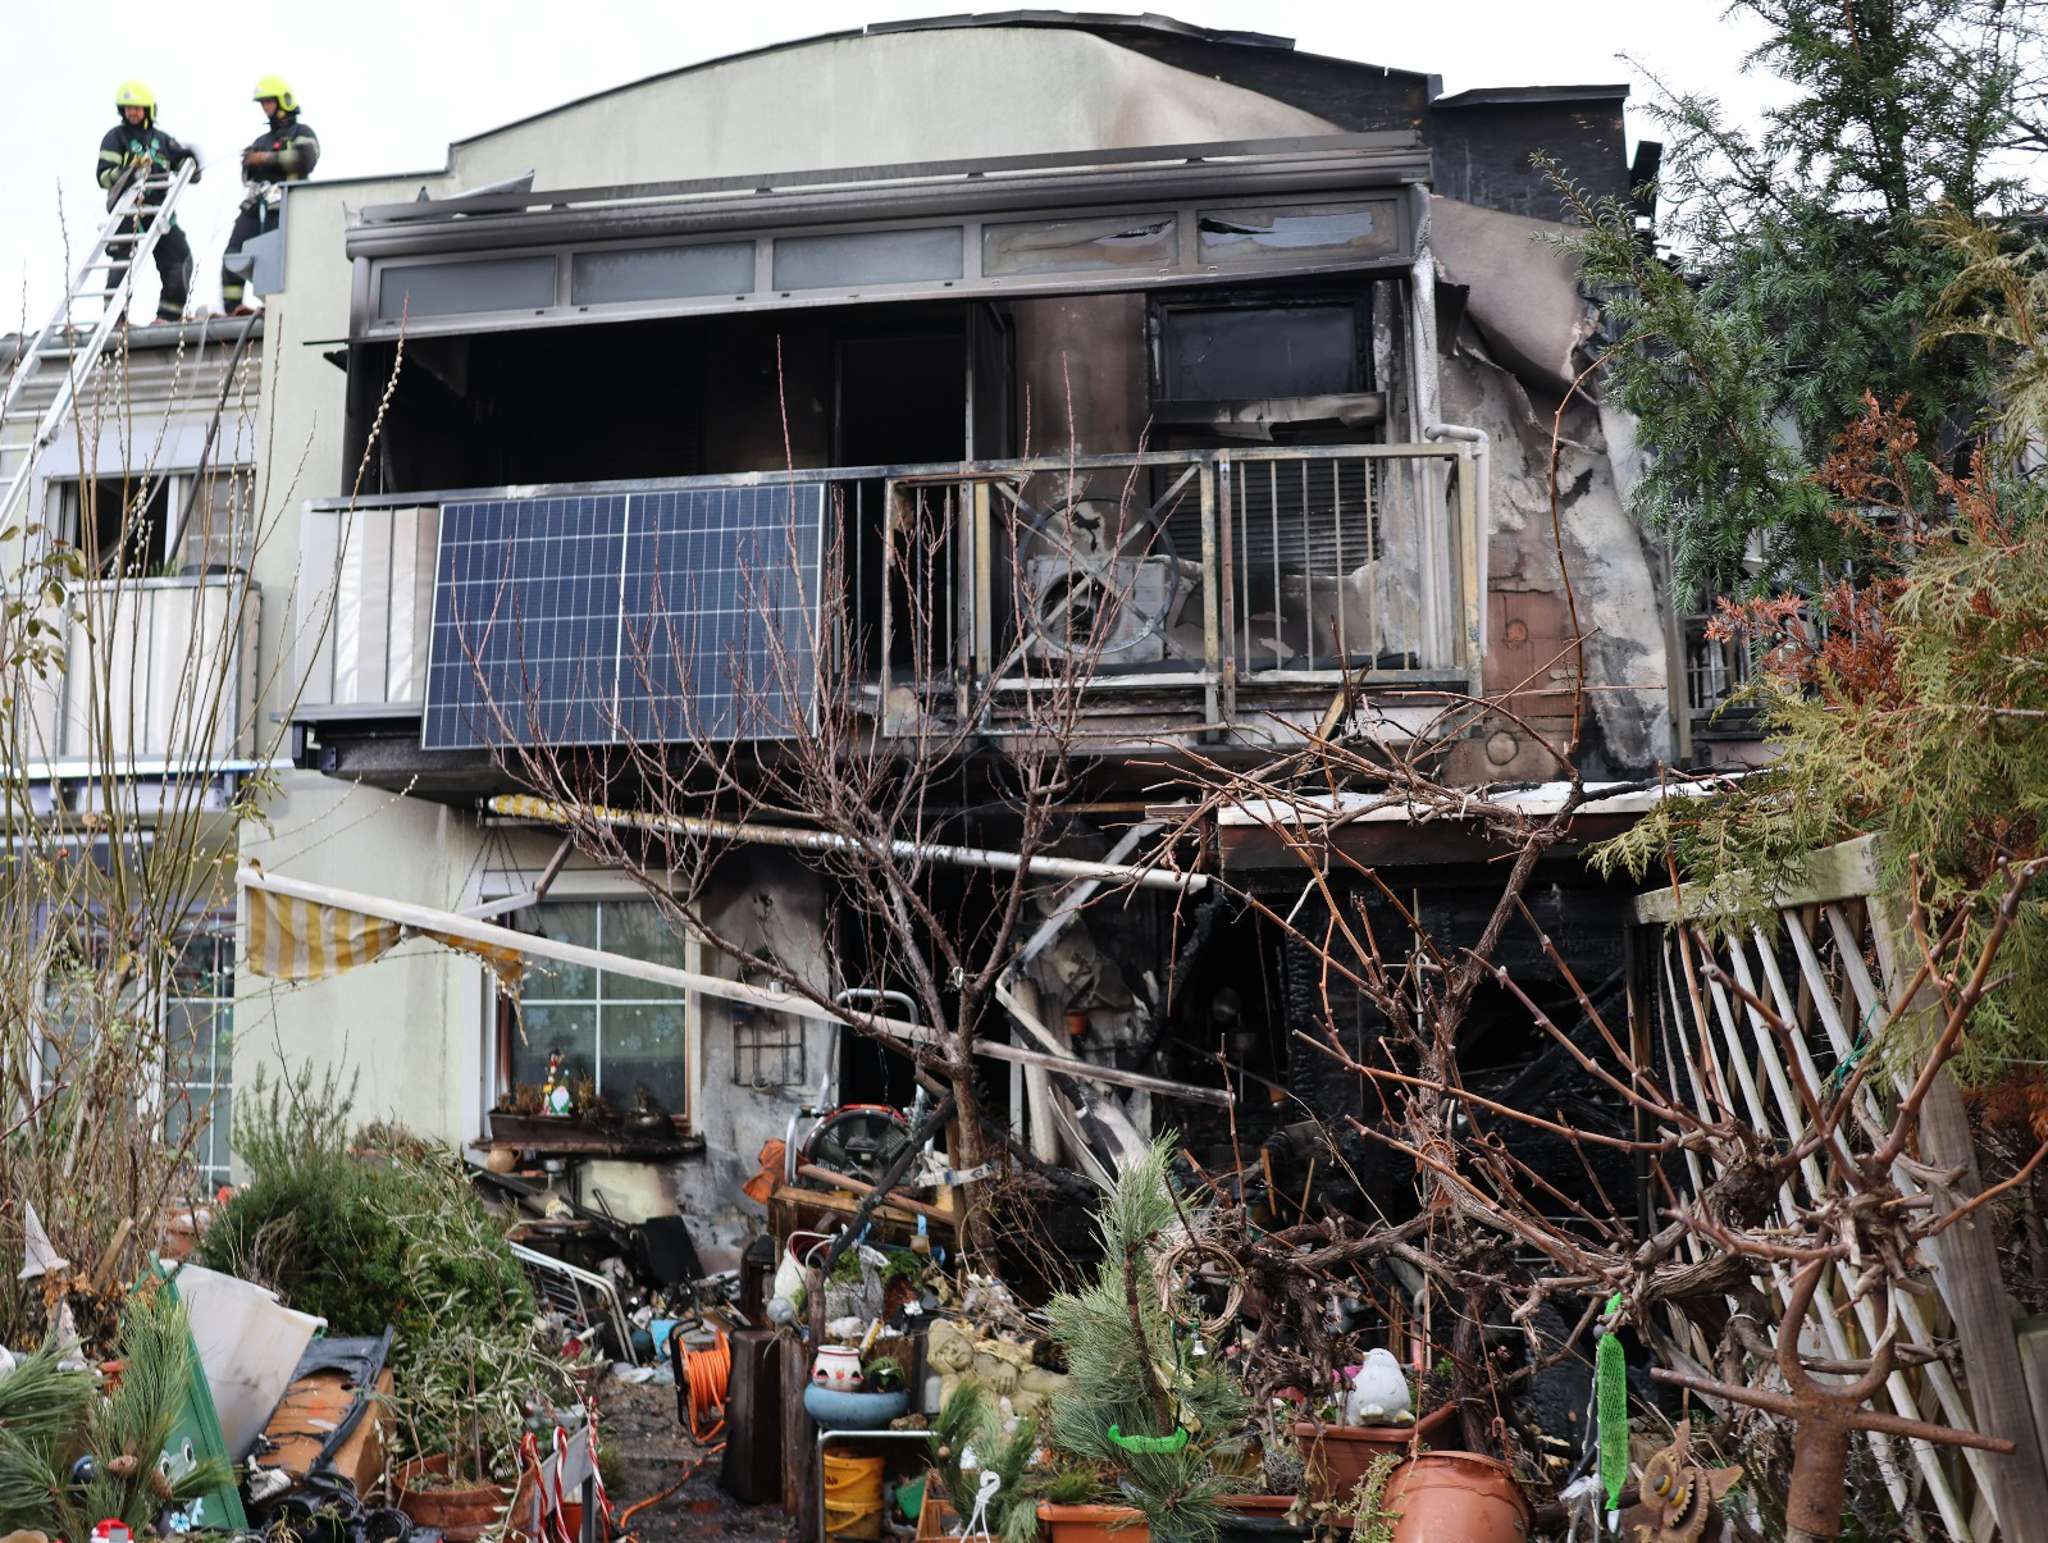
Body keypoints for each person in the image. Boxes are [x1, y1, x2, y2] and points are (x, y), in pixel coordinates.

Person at [96, 81, 198, 326]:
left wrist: (190, 163)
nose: (132, 113)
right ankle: (115, 320)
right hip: (128, 210)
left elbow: (184, 167)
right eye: (128, 108)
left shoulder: (162, 140)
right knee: (122, 263)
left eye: (137, 108)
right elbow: (103, 176)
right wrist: (131, 170)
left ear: (148, 110)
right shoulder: (115, 138)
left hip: (159, 211)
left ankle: (167, 317)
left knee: (179, 260)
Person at [221, 75, 320, 314]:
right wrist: (249, 160)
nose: (265, 107)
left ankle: (275, 307)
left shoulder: (302, 132)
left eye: (269, 102)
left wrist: (265, 158)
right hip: (257, 205)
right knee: (233, 253)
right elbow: (248, 175)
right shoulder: (261, 140)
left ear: (282, 101)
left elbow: (306, 160)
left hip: (287, 208)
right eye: (263, 103)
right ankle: (234, 309)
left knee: (278, 261)